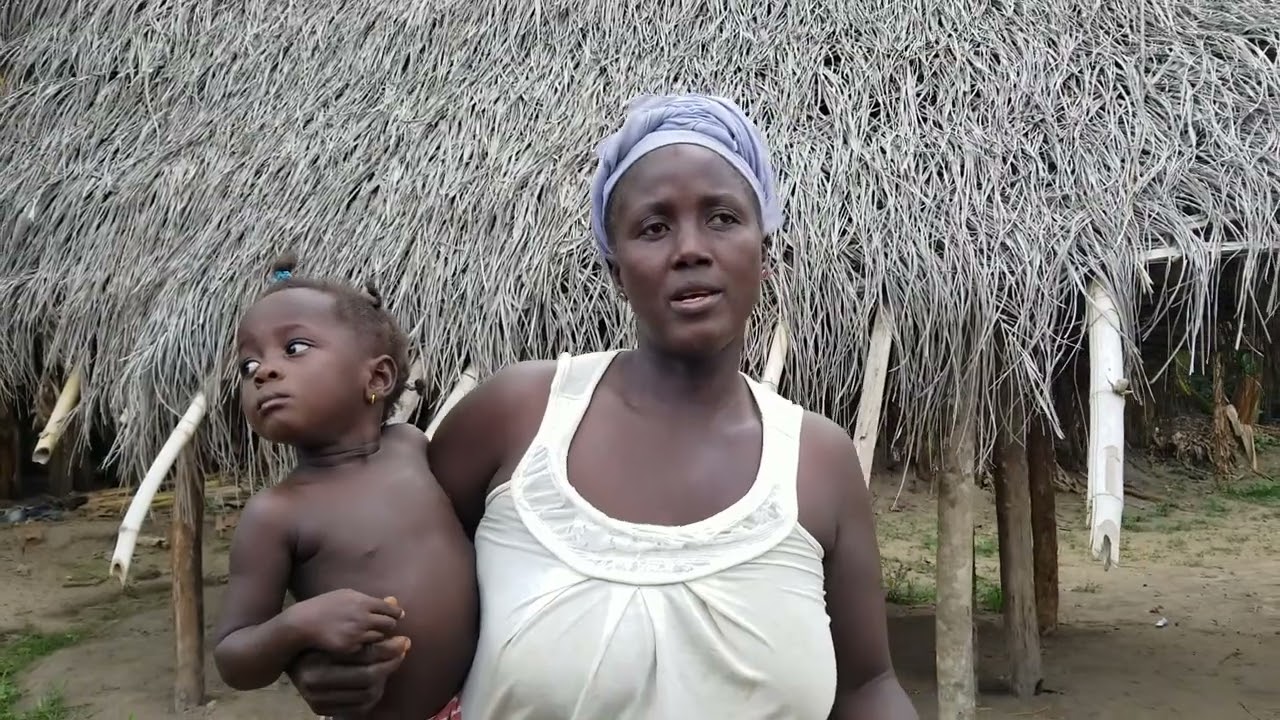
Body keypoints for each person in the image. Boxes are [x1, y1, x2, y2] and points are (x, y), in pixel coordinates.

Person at [287, 94, 918, 719]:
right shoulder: (515, 417)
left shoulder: (818, 461)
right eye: (653, 227)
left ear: (766, 252)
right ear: (616, 270)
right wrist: (318, 657)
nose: (690, 249)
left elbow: (868, 687)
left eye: (723, 218)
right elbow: (377, 563)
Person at [212, 257, 477, 720]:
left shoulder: (413, 448)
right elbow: (233, 657)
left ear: (376, 378)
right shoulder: (276, 514)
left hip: (481, 700)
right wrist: (296, 626)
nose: (262, 372)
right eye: (248, 363)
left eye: (293, 348)